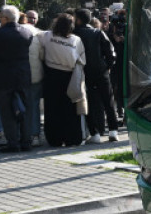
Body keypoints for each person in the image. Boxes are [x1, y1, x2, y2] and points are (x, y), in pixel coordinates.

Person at [0, 6, 35, 153]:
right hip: (23, 75)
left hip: (3, 77)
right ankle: (26, 141)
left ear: (5, 18)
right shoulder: (27, 32)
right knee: (25, 110)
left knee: (6, 111)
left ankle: (13, 143)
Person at [39, 13, 86, 147]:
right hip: (69, 77)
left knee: (52, 109)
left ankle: (54, 139)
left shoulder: (47, 36)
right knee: (70, 110)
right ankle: (72, 138)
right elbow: (81, 59)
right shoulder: (76, 40)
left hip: (51, 76)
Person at [74, 8, 118, 143]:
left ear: (79, 19)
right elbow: (111, 52)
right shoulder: (98, 33)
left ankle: (95, 133)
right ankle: (113, 131)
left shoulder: (75, 34)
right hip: (101, 70)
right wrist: (108, 66)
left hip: (85, 72)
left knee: (90, 102)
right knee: (108, 101)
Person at [22, 10, 45, 145]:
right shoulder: (40, 35)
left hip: (19, 75)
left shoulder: (16, 32)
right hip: (35, 75)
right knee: (34, 105)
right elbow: (42, 56)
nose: (32, 19)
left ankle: (22, 134)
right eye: (30, 17)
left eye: (34, 18)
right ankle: (35, 135)